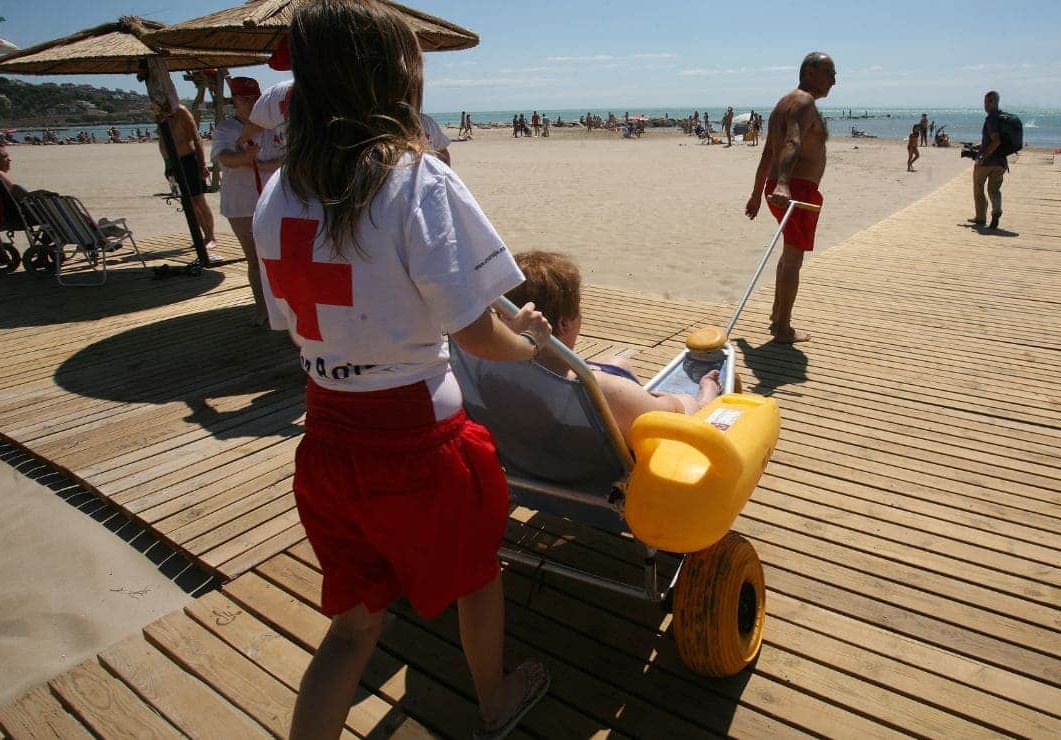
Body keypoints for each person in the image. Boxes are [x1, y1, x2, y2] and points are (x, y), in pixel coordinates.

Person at [250, 2, 552, 738]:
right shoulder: (417, 181)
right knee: (476, 577)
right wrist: (532, 345)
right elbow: (477, 333)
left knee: (353, 628)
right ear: (397, 78)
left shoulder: (275, 194)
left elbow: (294, 321)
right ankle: (496, 700)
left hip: (324, 440)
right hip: (421, 446)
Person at [505, 251, 721, 443]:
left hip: (530, 465)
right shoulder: (595, 388)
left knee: (618, 363)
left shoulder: (489, 372)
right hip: (595, 479)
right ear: (564, 324)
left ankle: (637, 394)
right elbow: (677, 418)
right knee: (681, 402)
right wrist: (701, 397)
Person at [744, 51, 836, 345]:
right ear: (809, 72)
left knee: (789, 254)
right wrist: (783, 184)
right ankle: (783, 328)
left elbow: (768, 152)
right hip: (795, 190)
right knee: (793, 257)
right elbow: (791, 142)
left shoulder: (782, 105)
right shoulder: (804, 103)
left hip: (782, 187)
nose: (834, 80)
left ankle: (777, 317)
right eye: (829, 72)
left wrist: (758, 193)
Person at [211, 76, 282, 327]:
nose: (251, 103)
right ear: (234, 101)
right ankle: (262, 309)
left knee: (279, 256)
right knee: (254, 258)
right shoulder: (226, 129)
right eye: (245, 98)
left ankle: (284, 308)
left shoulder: (273, 126)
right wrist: (244, 157)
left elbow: (290, 156)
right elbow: (224, 159)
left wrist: (266, 164)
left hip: (274, 201)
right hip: (241, 204)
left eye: (255, 98)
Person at [158, 100, 218, 257]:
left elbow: (196, 138)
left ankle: (210, 237)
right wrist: (167, 165)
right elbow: (163, 142)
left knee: (199, 200)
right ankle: (200, 236)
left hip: (189, 160)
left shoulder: (181, 111)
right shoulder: (160, 114)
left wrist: (202, 164)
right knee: (188, 203)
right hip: (173, 163)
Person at [970, 90, 1007, 230]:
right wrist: (980, 145)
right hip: (1001, 162)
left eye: (987, 101)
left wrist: (983, 156)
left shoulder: (991, 118)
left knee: (978, 187)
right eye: (985, 101)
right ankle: (996, 211)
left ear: (993, 102)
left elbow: (996, 141)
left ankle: (980, 217)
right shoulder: (1003, 118)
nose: (985, 105)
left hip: (988, 162)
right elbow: (999, 141)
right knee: (994, 189)